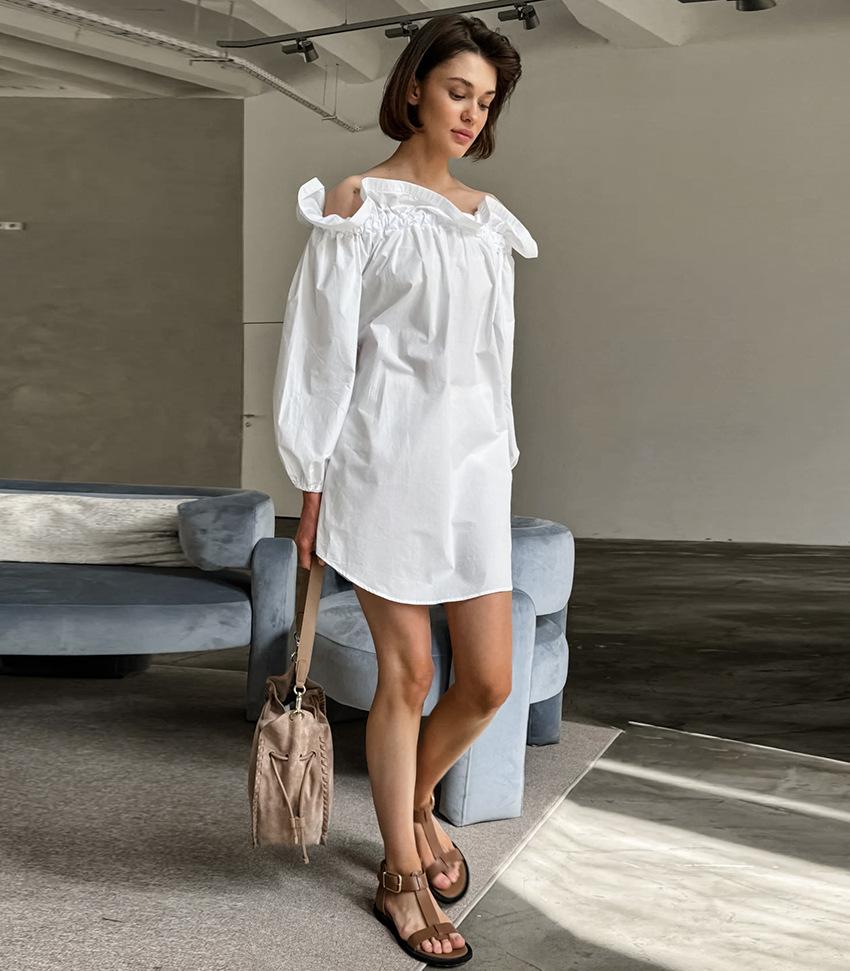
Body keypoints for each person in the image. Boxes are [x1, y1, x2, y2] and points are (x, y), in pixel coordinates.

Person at [273, 12, 538, 967]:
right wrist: (311, 482)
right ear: (416, 86)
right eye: (459, 91)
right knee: (410, 675)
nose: (471, 113)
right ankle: (398, 872)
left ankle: (415, 801)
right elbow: (320, 353)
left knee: (490, 681)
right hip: (382, 465)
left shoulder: (487, 219)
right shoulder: (359, 205)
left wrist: (500, 459)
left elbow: (493, 363)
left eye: (487, 101)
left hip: (472, 474)